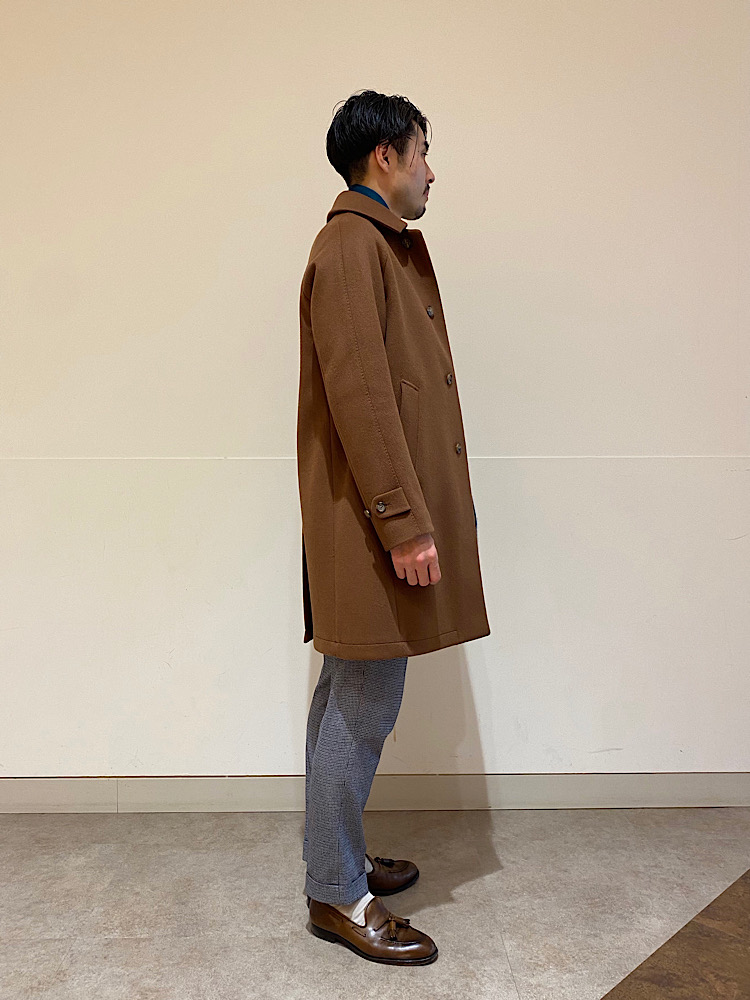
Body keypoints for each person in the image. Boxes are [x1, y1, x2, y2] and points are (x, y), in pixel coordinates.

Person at [296, 90, 490, 966]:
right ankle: (338, 894)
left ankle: (334, 857)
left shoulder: (372, 245)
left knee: (348, 694)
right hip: (372, 528)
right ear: (386, 155)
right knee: (365, 702)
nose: (430, 171)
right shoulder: (351, 246)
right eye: (422, 152)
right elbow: (365, 401)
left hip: (370, 522)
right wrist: (404, 524)